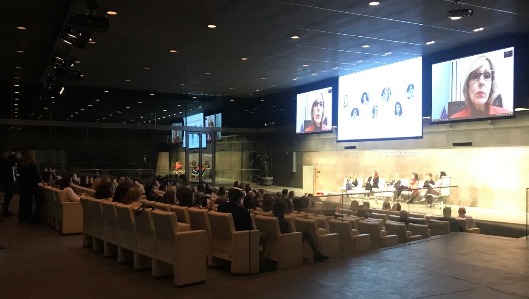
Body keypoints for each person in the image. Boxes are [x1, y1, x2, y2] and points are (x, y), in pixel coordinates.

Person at [17, 150, 41, 223]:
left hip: (22, 186)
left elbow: (19, 175)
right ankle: (28, 217)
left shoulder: (21, 164)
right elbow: (37, 176)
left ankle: (21, 217)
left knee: (22, 202)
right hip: (30, 186)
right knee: (28, 202)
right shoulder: (33, 165)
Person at [1, 150, 17, 216]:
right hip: (8, 181)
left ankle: (5, 210)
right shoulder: (7, 162)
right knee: (9, 195)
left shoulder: (5, 161)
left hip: (6, 180)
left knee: (9, 195)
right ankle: (5, 211)